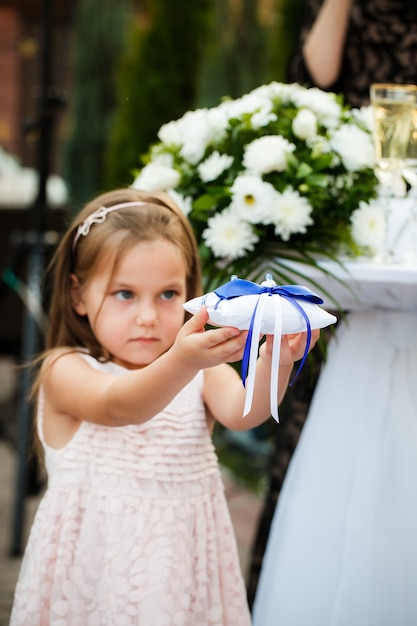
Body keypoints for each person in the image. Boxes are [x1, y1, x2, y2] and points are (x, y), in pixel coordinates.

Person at [9, 187, 319, 625]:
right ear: (78, 295)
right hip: (93, 572)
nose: (149, 317)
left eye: (169, 294)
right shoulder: (66, 369)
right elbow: (119, 406)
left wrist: (276, 359)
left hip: (179, 569)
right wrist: (182, 359)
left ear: (192, 293)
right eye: (125, 294)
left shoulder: (199, 369)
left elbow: (244, 411)